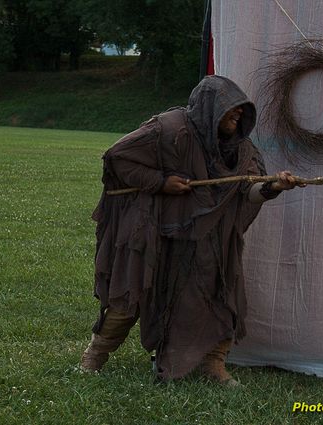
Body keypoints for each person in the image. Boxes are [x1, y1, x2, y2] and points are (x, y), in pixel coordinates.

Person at [80, 75, 302, 385]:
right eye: (230, 109)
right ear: (210, 107)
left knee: (221, 298)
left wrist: (273, 186)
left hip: (207, 238)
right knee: (131, 295)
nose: (237, 115)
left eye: (241, 111)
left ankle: (213, 364)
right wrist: (161, 182)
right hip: (157, 229)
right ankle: (96, 354)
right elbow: (118, 159)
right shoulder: (169, 129)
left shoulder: (242, 151)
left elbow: (247, 191)